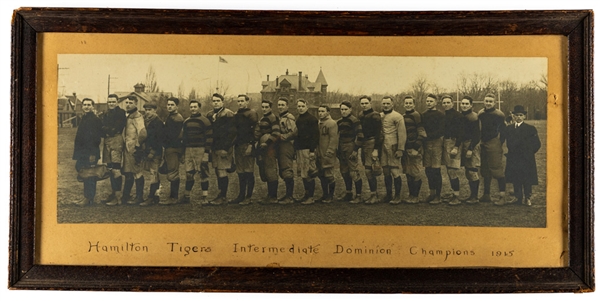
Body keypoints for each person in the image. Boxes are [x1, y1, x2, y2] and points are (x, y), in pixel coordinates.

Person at [504, 105, 541, 206]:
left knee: (527, 178)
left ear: (524, 116)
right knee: (515, 177)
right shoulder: (509, 129)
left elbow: (537, 144)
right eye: (516, 115)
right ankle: (517, 197)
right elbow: (508, 143)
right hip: (513, 158)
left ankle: (527, 197)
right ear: (513, 116)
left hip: (526, 158)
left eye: (521, 115)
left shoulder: (530, 129)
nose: (518, 117)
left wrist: (528, 153)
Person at [478, 93, 510, 205]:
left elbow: (503, 131)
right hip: (483, 143)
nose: (488, 103)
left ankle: (502, 197)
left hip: (494, 142)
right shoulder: (480, 113)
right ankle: (486, 194)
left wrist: (499, 143)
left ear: (494, 103)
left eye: (490, 101)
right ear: (484, 101)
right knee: (485, 169)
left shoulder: (499, 114)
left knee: (496, 169)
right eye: (486, 101)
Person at [206, 93, 237, 205]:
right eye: (214, 101)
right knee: (217, 170)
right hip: (214, 147)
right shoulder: (209, 114)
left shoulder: (228, 114)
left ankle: (223, 196)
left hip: (224, 147)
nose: (216, 103)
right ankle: (220, 194)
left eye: (218, 101)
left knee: (222, 170)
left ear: (222, 102)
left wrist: (226, 148)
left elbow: (232, 133)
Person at [181, 99, 212, 205]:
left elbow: (209, 137)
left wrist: (206, 152)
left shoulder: (205, 121)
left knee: (203, 173)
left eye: (195, 107)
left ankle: (205, 197)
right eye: (191, 107)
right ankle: (186, 196)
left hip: (200, 149)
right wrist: (183, 151)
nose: (193, 109)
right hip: (189, 149)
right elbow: (184, 137)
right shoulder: (186, 121)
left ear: (199, 108)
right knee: (189, 173)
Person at [72, 98, 103, 206]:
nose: (86, 106)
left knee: (90, 174)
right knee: (84, 172)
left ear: (92, 106)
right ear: (82, 106)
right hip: (83, 151)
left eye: (89, 105)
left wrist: (92, 154)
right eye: (84, 105)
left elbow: (96, 139)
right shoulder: (84, 118)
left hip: (90, 152)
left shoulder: (94, 119)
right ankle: (87, 197)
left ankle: (89, 198)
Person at [380, 96, 407, 204]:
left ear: (392, 104)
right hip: (383, 146)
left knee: (394, 171)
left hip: (393, 146)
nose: (386, 106)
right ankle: (388, 194)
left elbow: (402, 134)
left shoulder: (398, 116)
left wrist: (400, 149)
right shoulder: (380, 116)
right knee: (386, 171)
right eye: (384, 104)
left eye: (388, 103)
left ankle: (397, 196)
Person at [121, 95, 147, 205]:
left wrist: (137, 146)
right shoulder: (128, 115)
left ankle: (139, 197)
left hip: (134, 149)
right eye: (126, 102)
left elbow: (143, 133)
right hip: (127, 149)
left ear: (136, 104)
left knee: (137, 172)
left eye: (130, 103)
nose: (128, 104)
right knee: (128, 172)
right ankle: (126, 196)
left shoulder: (137, 116)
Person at [336, 100, 364, 203]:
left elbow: (360, 136)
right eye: (342, 109)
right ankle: (348, 193)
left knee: (353, 172)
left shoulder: (354, 120)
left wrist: (355, 150)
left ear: (350, 109)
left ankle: (359, 195)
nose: (343, 111)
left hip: (350, 146)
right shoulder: (339, 121)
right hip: (341, 146)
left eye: (345, 109)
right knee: (344, 171)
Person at [233, 94, 259, 205]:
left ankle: (248, 197)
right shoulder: (236, 114)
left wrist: (251, 144)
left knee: (248, 170)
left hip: (248, 144)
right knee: (240, 171)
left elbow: (256, 130)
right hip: (238, 145)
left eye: (242, 101)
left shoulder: (251, 114)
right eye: (238, 101)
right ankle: (241, 195)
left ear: (247, 102)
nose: (240, 103)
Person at [101, 94, 127, 206]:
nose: (111, 104)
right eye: (109, 102)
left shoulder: (121, 113)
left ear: (117, 102)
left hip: (116, 140)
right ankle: (113, 193)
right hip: (107, 142)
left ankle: (118, 197)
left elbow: (116, 128)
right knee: (110, 168)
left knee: (116, 169)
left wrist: (107, 129)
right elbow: (101, 128)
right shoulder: (105, 113)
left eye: (113, 102)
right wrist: (106, 130)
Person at [440, 95, 465, 205]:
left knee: (452, 171)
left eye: (448, 102)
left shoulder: (458, 116)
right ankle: (453, 193)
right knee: (448, 170)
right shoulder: (444, 115)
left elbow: (461, 133)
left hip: (454, 143)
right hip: (445, 142)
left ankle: (456, 196)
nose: (446, 104)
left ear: (452, 103)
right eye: (444, 103)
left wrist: (456, 146)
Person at [159, 97, 184, 205]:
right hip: (170, 147)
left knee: (173, 173)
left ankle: (174, 198)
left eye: (172, 105)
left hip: (174, 148)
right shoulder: (171, 116)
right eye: (168, 105)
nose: (169, 106)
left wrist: (163, 138)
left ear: (176, 106)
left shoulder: (177, 118)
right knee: (168, 170)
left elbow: (173, 135)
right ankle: (173, 196)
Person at [255, 100, 281, 204]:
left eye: (266, 107)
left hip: (270, 147)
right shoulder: (262, 118)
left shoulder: (273, 117)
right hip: (263, 146)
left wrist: (267, 142)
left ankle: (273, 196)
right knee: (265, 169)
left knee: (270, 169)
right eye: (263, 107)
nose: (264, 109)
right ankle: (269, 195)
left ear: (270, 108)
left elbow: (276, 132)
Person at [294, 99, 320, 205]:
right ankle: (306, 194)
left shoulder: (312, 119)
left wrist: (312, 150)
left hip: (308, 149)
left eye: (302, 106)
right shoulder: (298, 119)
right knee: (303, 173)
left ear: (307, 106)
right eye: (299, 106)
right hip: (300, 149)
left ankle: (311, 197)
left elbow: (315, 136)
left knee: (309, 173)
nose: (300, 108)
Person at [358, 95, 383, 204]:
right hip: (364, 144)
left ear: (370, 103)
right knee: (366, 168)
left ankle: (374, 195)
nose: (364, 105)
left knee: (370, 170)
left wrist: (376, 149)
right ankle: (373, 194)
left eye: (366, 103)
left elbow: (379, 134)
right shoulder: (361, 115)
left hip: (372, 143)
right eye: (362, 103)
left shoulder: (375, 115)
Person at [401, 95, 426, 204]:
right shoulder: (402, 116)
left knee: (415, 172)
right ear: (403, 104)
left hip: (415, 149)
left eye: (410, 103)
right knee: (408, 172)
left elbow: (422, 133)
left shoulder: (416, 115)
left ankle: (415, 196)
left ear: (414, 104)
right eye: (406, 103)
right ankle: (411, 195)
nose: (408, 105)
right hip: (406, 149)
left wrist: (416, 147)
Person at [139, 102, 164, 206]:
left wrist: (153, 152)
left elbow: (159, 139)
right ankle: (156, 195)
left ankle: (151, 197)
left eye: (150, 110)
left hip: (155, 152)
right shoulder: (145, 121)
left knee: (154, 173)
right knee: (151, 173)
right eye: (146, 109)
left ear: (155, 110)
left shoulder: (158, 122)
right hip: (147, 150)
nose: (147, 112)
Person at [421, 94, 445, 204]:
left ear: (435, 102)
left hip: (436, 143)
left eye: (431, 101)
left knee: (436, 169)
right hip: (426, 144)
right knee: (428, 169)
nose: (429, 103)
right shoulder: (424, 114)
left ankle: (438, 196)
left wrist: (429, 136)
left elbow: (441, 130)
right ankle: (432, 193)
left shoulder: (440, 115)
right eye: (427, 101)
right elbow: (421, 128)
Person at [459, 96, 483, 204]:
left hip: (471, 144)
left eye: (466, 104)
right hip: (464, 144)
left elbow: (477, 135)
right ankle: (471, 195)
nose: (464, 105)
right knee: (468, 171)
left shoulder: (474, 117)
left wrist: (471, 148)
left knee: (472, 170)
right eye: (462, 103)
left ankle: (475, 196)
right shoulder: (462, 116)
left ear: (471, 105)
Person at [276, 97, 298, 204]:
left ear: (287, 106)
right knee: (283, 169)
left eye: (282, 105)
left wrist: (283, 136)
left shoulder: (289, 117)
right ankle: (287, 194)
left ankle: (289, 197)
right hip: (281, 145)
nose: (280, 107)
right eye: (279, 105)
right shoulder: (281, 117)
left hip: (287, 145)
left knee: (287, 168)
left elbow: (294, 131)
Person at [315, 105, 339, 203]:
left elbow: (334, 139)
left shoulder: (332, 123)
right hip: (319, 152)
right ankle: (324, 194)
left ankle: (330, 195)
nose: (320, 113)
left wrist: (330, 152)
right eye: (319, 111)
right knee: (321, 174)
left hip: (328, 152)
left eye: (323, 111)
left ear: (328, 112)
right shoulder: (319, 122)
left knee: (329, 174)